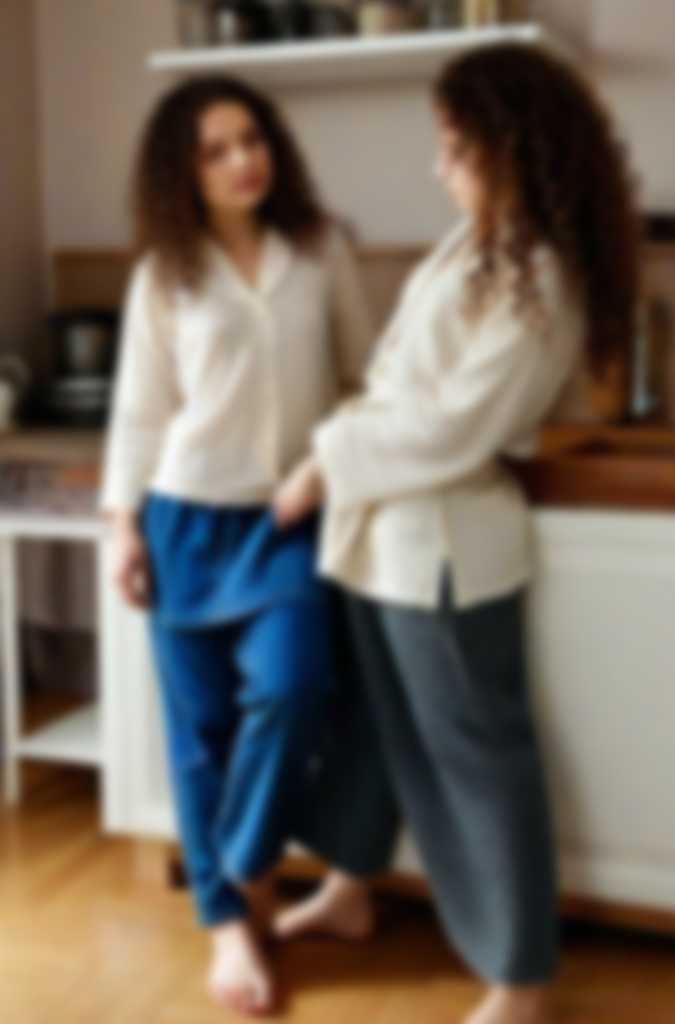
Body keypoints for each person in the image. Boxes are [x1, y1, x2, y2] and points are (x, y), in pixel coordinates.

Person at [271, 43, 640, 1024]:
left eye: (454, 147)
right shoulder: (479, 245)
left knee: (480, 760)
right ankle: (351, 888)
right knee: (375, 728)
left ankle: (522, 980)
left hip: (441, 550)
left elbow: (450, 428)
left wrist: (323, 460)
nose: (439, 168)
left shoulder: (542, 276)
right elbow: (405, 387)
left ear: (513, 149)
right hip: (382, 538)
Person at [98, 74, 375, 1017]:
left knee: (292, 689)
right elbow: (140, 415)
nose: (241, 161)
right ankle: (227, 928)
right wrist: (122, 527)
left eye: (250, 139)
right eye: (214, 150)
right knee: (199, 736)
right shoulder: (163, 273)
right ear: (182, 170)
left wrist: (327, 468)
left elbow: (361, 379)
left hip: (287, 516)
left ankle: (247, 868)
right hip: (183, 518)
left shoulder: (321, 247)